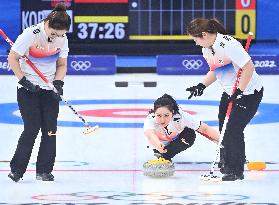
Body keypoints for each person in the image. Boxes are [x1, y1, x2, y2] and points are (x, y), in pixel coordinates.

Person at [186, 18, 263, 181]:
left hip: (248, 93)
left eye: (196, 39)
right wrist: (201, 85)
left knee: (233, 130)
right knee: (224, 128)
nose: (196, 43)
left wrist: (239, 91)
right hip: (230, 91)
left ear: (204, 35)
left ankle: (235, 171)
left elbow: (248, 68)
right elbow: (218, 70)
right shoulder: (207, 49)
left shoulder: (229, 45)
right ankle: (227, 163)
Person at [7, 3, 71, 182]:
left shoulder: (62, 39)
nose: (56, 38)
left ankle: (44, 170)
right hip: (29, 89)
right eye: (53, 34)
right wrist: (23, 80)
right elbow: (12, 58)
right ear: (48, 24)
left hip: (49, 90)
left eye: (61, 35)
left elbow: (62, 64)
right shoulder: (31, 34)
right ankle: (17, 170)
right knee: (32, 127)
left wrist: (58, 83)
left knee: (50, 130)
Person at [144, 93, 220, 162]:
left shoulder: (182, 116)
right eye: (159, 115)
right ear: (154, 113)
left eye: (166, 115)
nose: (162, 120)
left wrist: (225, 141)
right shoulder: (151, 119)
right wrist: (158, 144)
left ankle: (167, 154)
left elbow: (205, 129)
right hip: (159, 142)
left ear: (172, 112)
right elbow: (150, 134)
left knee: (190, 133)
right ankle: (161, 153)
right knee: (158, 145)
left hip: (177, 139)